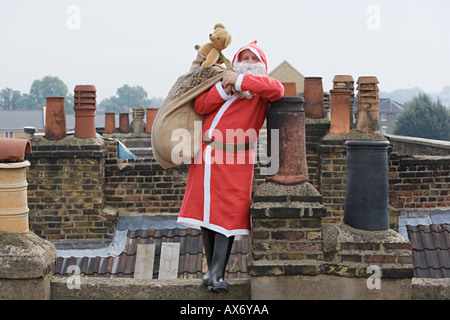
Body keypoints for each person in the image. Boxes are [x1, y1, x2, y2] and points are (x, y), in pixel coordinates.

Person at [177, 41, 284, 293]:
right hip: (205, 157)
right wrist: (225, 88)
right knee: (207, 213)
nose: (248, 61)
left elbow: (277, 89)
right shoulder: (222, 86)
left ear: (261, 65)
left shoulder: (259, 93)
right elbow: (200, 106)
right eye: (243, 57)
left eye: (253, 58)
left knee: (226, 215)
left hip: (234, 160)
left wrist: (239, 81)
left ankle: (216, 273)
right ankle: (210, 273)